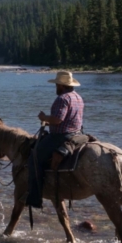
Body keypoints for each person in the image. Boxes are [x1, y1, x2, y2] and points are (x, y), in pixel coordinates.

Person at [29, 71, 84, 208]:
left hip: (61, 137)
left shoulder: (62, 99)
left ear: (61, 85)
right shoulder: (78, 97)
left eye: (57, 84)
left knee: (34, 158)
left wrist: (44, 118)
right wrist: (50, 123)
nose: (56, 87)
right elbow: (68, 119)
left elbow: (58, 119)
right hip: (77, 134)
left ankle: (35, 198)